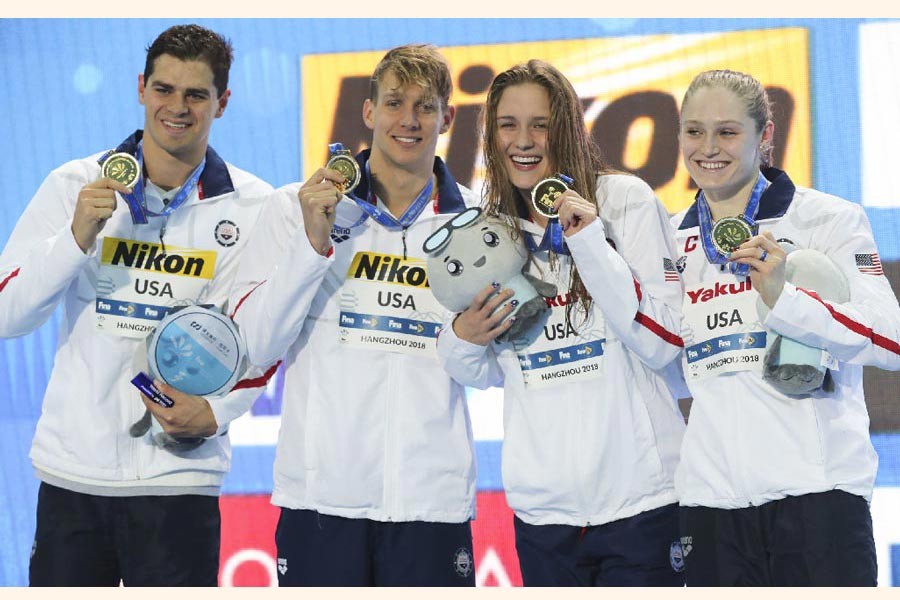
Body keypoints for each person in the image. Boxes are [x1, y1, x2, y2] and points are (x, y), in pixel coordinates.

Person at [0, 24, 275, 586]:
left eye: (196, 94)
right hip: (75, 477)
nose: (177, 107)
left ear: (223, 103)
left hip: (179, 479)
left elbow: (265, 338)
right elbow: (9, 316)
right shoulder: (73, 184)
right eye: (164, 89)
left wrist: (217, 414)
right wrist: (76, 237)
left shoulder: (255, 207)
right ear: (140, 88)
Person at [229, 44, 478, 586]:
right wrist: (312, 244)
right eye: (394, 103)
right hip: (322, 500)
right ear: (367, 112)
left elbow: (491, 366)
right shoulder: (294, 207)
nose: (408, 120)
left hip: (430, 502)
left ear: (448, 117)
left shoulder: (478, 223)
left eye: (424, 106)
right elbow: (258, 343)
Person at [436, 60, 687, 586]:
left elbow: (664, 344)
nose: (523, 141)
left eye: (540, 123)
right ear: (490, 134)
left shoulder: (624, 202)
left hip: (640, 499)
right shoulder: (490, 232)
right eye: (508, 124)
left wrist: (589, 242)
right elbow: (483, 371)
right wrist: (462, 338)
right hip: (545, 513)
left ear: (568, 127)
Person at [671, 69, 900, 586]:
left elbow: (891, 336)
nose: (708, 147)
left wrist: (787, 299)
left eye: (728, 132)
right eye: (694, 131)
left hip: (817, 496)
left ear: (765, 136)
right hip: (710, 503)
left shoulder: (828, 219)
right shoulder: (667, 238)